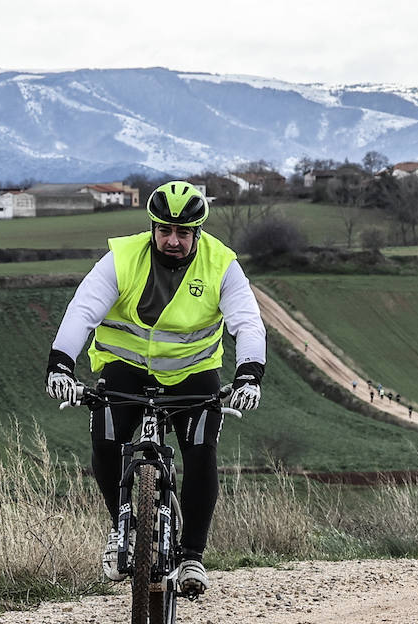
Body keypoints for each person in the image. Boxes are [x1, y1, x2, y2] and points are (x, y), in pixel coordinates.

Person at [45, 181, 265, 596]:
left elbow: (247, 323)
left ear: (197, 232)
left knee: (200, 454)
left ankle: (192, 556)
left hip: (193, 375)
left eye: (183, 233)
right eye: (164, 230)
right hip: (125, 370)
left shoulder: (222, 265)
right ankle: (123, 529)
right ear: (153, 228)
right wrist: (60, 365)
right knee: (106, 440)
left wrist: (250, 374)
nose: (173, 240)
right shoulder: (122, 258)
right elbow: (83, 310)